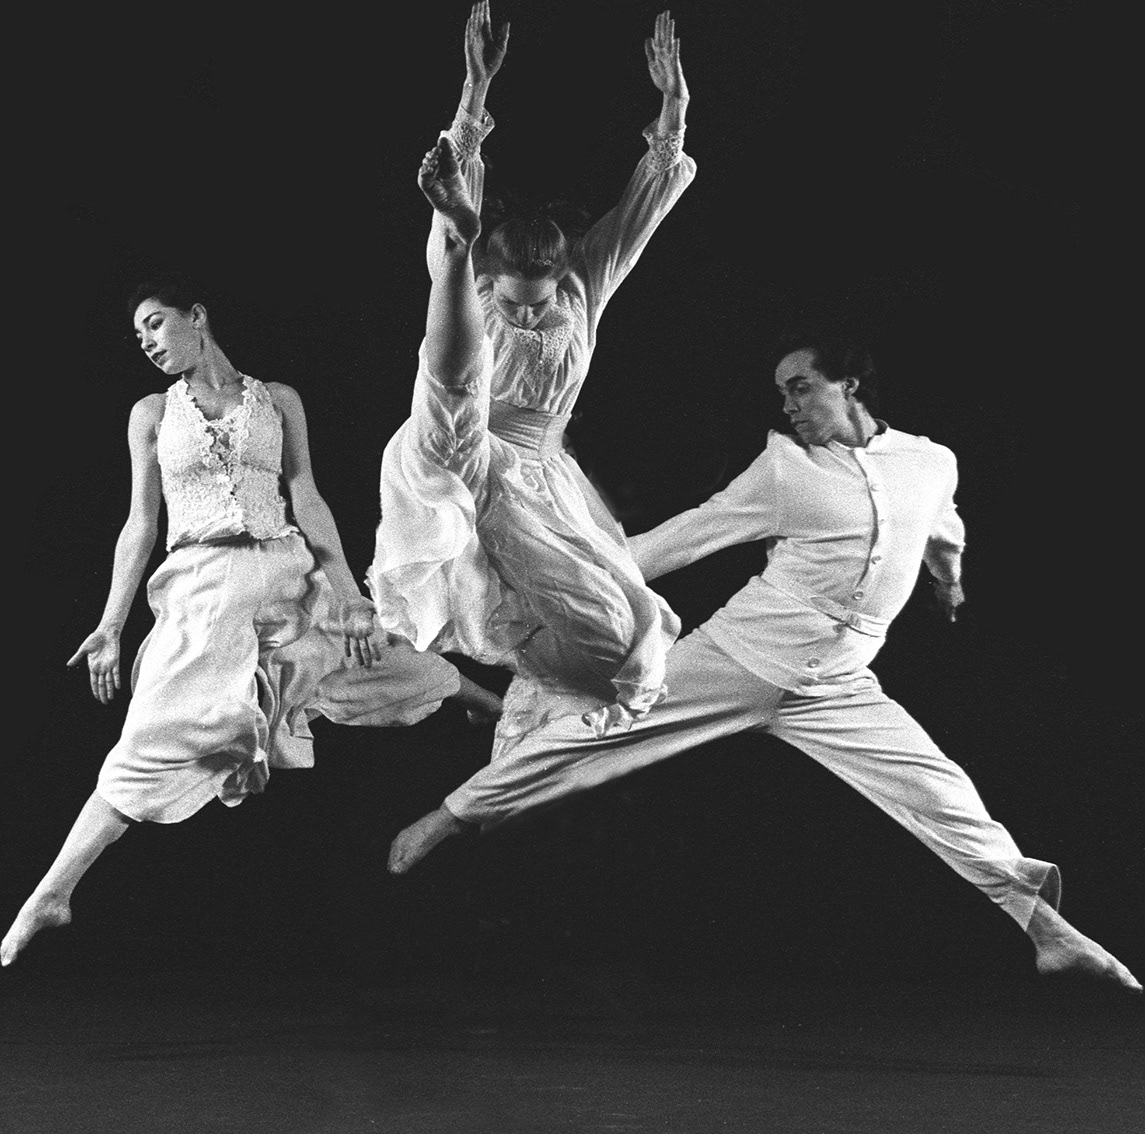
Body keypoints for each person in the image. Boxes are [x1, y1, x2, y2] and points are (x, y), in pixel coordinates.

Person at [387, 339, 1141, 991]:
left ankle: (1047, 931)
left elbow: (942, 526)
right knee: (600, 735)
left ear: (849, 384)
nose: (788, 405)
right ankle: (448, 816)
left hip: (837, 682)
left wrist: (950, 583)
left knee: (940, 791)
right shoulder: (785, 471)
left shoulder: (929, 461)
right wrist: (576, 578)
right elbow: (692, 533)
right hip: (743, 656)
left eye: (800, 387)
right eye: (782, 392)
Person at [1, 277, 500, 967]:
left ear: (196, 315)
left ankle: (483, 702)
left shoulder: (279, 400)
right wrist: (111, 624)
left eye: (155, 323)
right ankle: (51, 894)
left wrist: (347, 594)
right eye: (138, 335)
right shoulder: (151, 413)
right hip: (204, 589)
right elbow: (140, 524)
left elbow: (306, 496)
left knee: (368, 652)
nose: (146, 342)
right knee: (154, 736)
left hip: (282, 571)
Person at [368, 4, 695, 747]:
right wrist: (474, 90)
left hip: (545, 475)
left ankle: (528, 713)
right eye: (510, 301)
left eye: (534, 304)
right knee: (452, 350)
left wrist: (674, 105)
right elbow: (454, 186)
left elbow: (644, 207)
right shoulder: (477, 286)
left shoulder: (583, 286)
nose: (521, 313)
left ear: (560, 277)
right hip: (471, 450)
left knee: (617, 631)